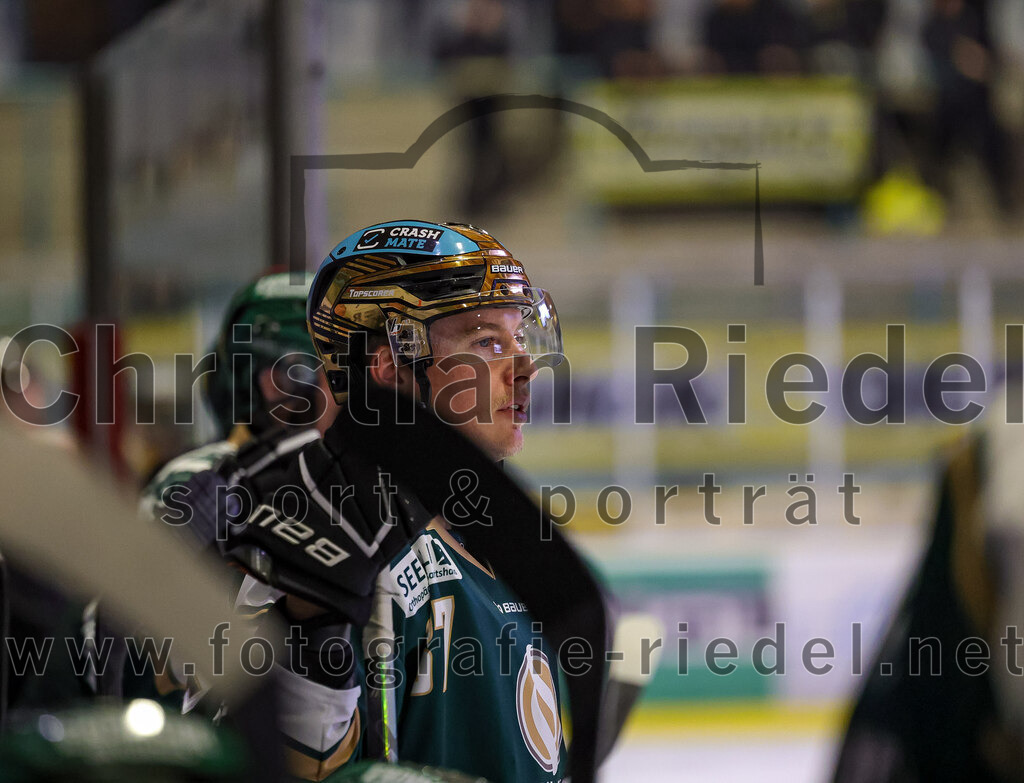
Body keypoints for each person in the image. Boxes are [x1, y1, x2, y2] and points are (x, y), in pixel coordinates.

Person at [218, 221, 569, 782]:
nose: (524, 367)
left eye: (520, 339)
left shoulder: (501, 546)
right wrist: (313, 630)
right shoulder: (341, 552)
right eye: (487, 342)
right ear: (389, 368)